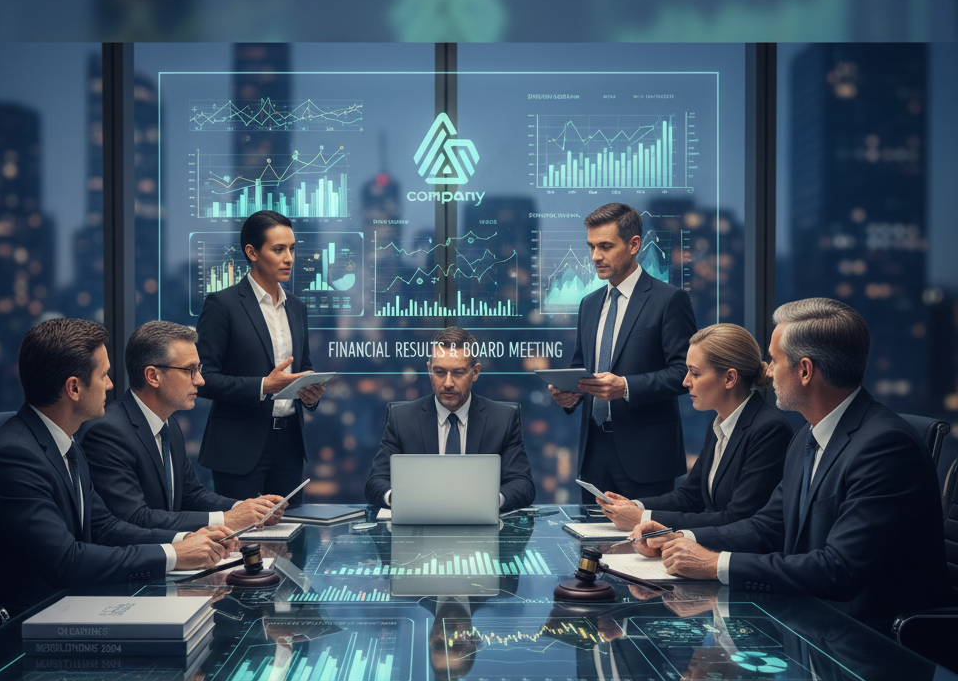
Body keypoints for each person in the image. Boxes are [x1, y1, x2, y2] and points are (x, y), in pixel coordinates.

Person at [633, 298, 952, 633]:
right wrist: (677, 538)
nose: (767, 371)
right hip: (811, 622)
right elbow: (767, 526)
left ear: (804, 371)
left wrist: (715, 564)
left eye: (774, 360)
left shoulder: (886, 447)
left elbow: (838, 569)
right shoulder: (807, 435)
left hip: (869, 639)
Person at [0, 319, 235, 617]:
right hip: (10, 624)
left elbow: (105, 527)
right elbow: (66, 562)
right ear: (74, 388)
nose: (111, 385)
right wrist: (173, 554)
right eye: (104, 375)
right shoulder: (13, 457)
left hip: (62, 608)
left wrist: (183, 541)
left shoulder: (65, 442)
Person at [549, 203, 696, 502]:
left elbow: (685, 371)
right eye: (591, 246)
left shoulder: (669, 300)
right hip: (593, 456)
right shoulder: (589, 304)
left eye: (605, 246)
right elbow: (582, 367)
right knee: (590, 532)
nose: (595, 256)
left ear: (634, 245)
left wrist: (626, 387)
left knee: (644, 533)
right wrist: (571, 395)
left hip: (647, 456)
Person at [80, 320, 287, 531]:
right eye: (190, 370)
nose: (200, 380)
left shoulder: (168, 423)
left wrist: (247, 508)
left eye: (199, 369)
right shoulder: (107, 433)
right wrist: (227, 519)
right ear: (153, 376)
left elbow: (191, 495)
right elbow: (134, 518)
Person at [596, 323, 792, 530]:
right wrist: (633, 506)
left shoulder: (769, 430)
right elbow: (690, 496)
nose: (685, 382)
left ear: (729, 378)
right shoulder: (719, 424)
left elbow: (737, 520)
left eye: (695, 373)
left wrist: (642, 518)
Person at [195, 210, 326, 501]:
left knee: (290, 526)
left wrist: (310, 394)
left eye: (292, 249)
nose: (289, 258)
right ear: (252, 252)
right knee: (245, 529)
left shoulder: (297, 307)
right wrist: (264, 386)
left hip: (290, 444)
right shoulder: (222, 305)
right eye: (278, 249)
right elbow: (203, 378)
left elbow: (303, 366)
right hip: (239, 446)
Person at [364, 326, 535, 511]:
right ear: (429, 370)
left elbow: (523, 484)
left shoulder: (503, 420)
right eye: (439, 372)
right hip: (420, 523)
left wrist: (489, 501)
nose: (447, 383)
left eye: (458, 373)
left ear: (475, 372)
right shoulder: (402, 419)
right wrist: (401, 498)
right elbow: (375, 482)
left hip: (480, 524)